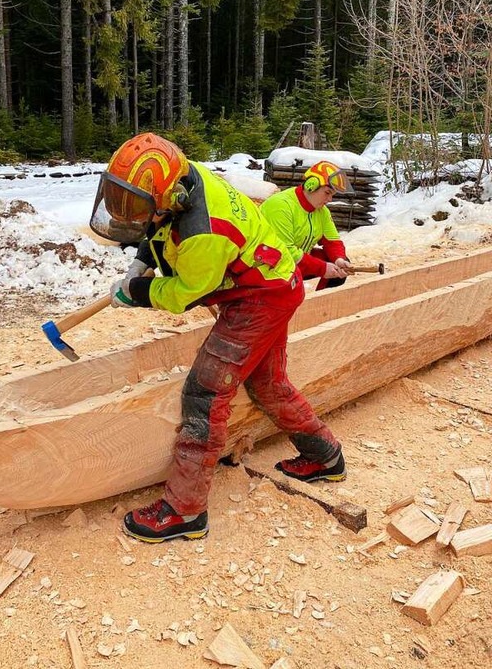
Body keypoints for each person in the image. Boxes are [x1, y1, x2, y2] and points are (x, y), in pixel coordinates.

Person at [89, 133, 345, 544]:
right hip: (277, 282)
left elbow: (182, 294)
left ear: (170, 195)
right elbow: (159, 226)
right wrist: (141, 260)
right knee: (267, 383)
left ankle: (184, 510)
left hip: (261, 298)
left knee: (205, 392)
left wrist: (138, 293)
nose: (131, 213)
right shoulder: (185, 177)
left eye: (138, 206)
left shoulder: (203, 234)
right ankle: (325, 455)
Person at [260, 160, 353, 291]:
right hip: (267, 265)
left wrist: (339, 259)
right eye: (327, 193)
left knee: (338, 267)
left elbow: (333, 241)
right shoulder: (280, 206)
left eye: (332, 195)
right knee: (289, 280)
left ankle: (320, 306)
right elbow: (285, 252)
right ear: (311, 185)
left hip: (293, 262)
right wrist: (322, 268)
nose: (330, 199)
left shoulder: (322, 211)